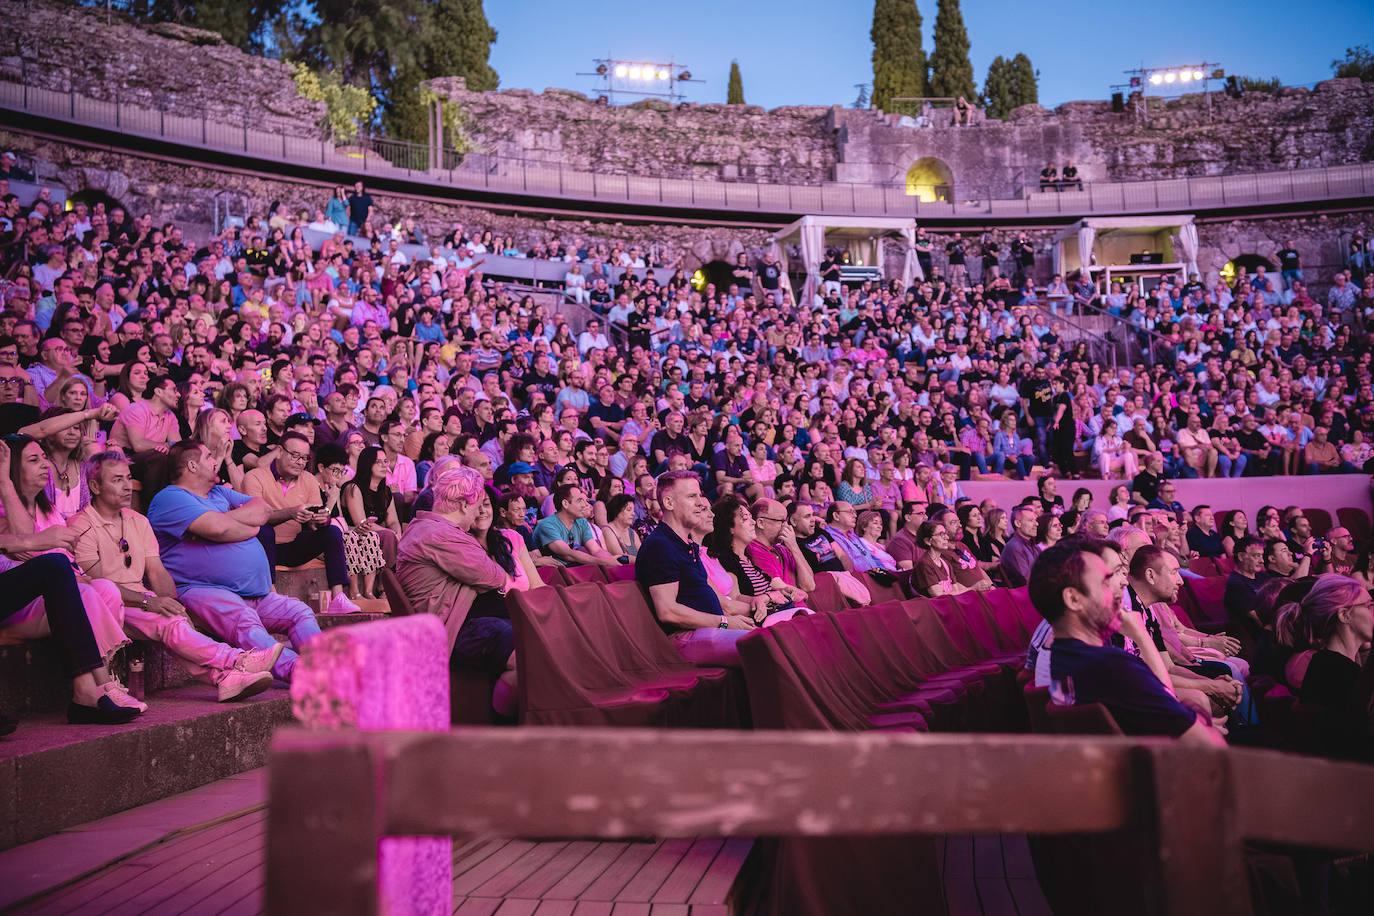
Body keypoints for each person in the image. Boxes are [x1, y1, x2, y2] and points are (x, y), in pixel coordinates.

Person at [69, 451, 279, 702]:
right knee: (167, 624)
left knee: (173, 621)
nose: (127, 486)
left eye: (128, 478)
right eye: (117, 480)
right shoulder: (79, 527)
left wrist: (175, 606)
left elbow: (156, 571)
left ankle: (224, 679)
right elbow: (100, 587)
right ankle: (236, 659)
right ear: (94, 486)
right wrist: (150, 602)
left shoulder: (138, 521)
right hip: (105, 607)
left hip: (138, 600)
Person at [147, 441, 320, 682]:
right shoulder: (169, 498)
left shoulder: (219, 492)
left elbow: (262, 510)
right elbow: (218, 529)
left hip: (252, 593)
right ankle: (300, 672)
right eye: (209, 456)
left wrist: (230, 522)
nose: (215, 460)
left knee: (299, 612)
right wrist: (244, 526)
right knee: (244, 620)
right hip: (204, 590)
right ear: (192, 465)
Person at [1029, 540, 1224, 745]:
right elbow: (1209, 745)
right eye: (1105, 580)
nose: (1123, 583)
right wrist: (1141, 636)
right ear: (1074, 599)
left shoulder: (1061, 656)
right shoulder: (1111, 666)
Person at [396, 467, 518, 714]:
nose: (476, 515)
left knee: (538, 639)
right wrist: (480, 579)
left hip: (464, 623)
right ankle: (506, 730)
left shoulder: (426, 527)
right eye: (476, 507)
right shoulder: (440, 535)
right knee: (533, 652)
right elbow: (494, 577)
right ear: (464, 504)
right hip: (456, 629)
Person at [636, 470, 754, 666]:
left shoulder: (687, 546)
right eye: (692, 496)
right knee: (764, 644)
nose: (700, 502)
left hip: (709, 631)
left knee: (780, 634)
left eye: (699, 495)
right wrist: (723, 622)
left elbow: (721, 602)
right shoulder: (660, 545)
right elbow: (667, 611)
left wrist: (759, 606)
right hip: (686, 638)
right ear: (669, 503)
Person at [242, 431, 359, 615]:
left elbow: (314, 525)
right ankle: (271, 595)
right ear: (280, 452)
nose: (300, 462)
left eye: (304, 458)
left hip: (294, 546)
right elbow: (255, 516)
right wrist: (290, 513)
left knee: (332, 532)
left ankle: (338, 598)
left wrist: (322, 518)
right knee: (264, 530)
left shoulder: (308, 479)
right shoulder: (255, 477)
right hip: (262, 549)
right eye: (295, 456)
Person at [1272, 574, 1373, 760]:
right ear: (1344, 615)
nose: (1372, 611)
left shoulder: (1326, 664)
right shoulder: (1340, 674)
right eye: (1369, 606)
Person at [1000, 503, 1040, 588]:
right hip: (1026, 595)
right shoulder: (1014, 547)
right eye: (1030, 520)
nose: (1036, 524)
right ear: (1018, 523)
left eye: (1036, 520)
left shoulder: (1033, 546)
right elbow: (1025, 581)